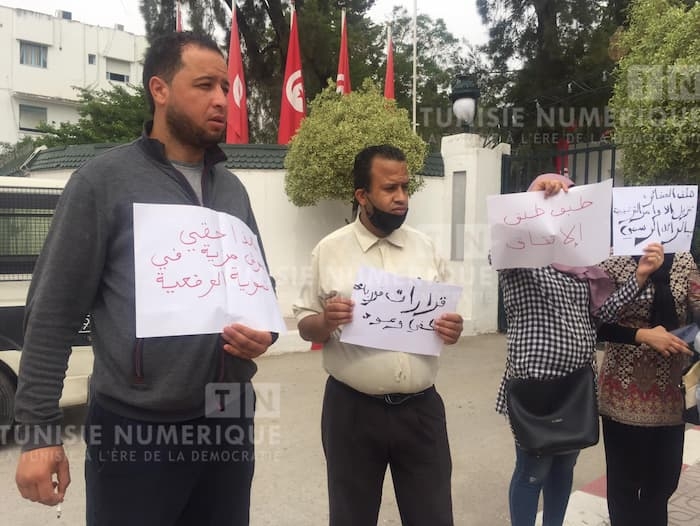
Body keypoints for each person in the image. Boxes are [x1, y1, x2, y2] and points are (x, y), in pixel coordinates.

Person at [14, 31, 276, 526]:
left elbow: (259, 289)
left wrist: (266, 333)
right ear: (159, 90)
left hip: (227, 413)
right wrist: (38, 433)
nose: (221, 99)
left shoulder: (232, 190)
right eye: (204, 85)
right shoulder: (102, 182)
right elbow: (52, 315)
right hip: (135, 426)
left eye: (225, 86)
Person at [293, 145, 463, 526]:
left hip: (421, 412)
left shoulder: (427, 247)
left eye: (405, 187)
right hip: (353, 412)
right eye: (389, 189)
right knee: (352, 516)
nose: (401, 198)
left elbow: (450, 317)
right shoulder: (329, 250)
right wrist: (324, 321)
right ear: (362, 196)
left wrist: (453, 328)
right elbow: (305, 320)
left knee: (433, 516)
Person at [496, 174, 667, 526]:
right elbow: (504, 238)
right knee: (533, 470)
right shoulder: (520, 261)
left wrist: (640, 276)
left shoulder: (583, 269)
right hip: (535, 388)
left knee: (564, 467)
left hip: (576, 386)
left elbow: (601, 316)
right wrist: (537, 190)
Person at [596, 246, 700, 526]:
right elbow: (596, 322)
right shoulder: (612, 258)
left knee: (663, 484)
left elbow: (697, 305)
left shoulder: (683, 257)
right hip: (623, 393)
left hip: (670, 393)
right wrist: (642, 335)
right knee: (623, 486)